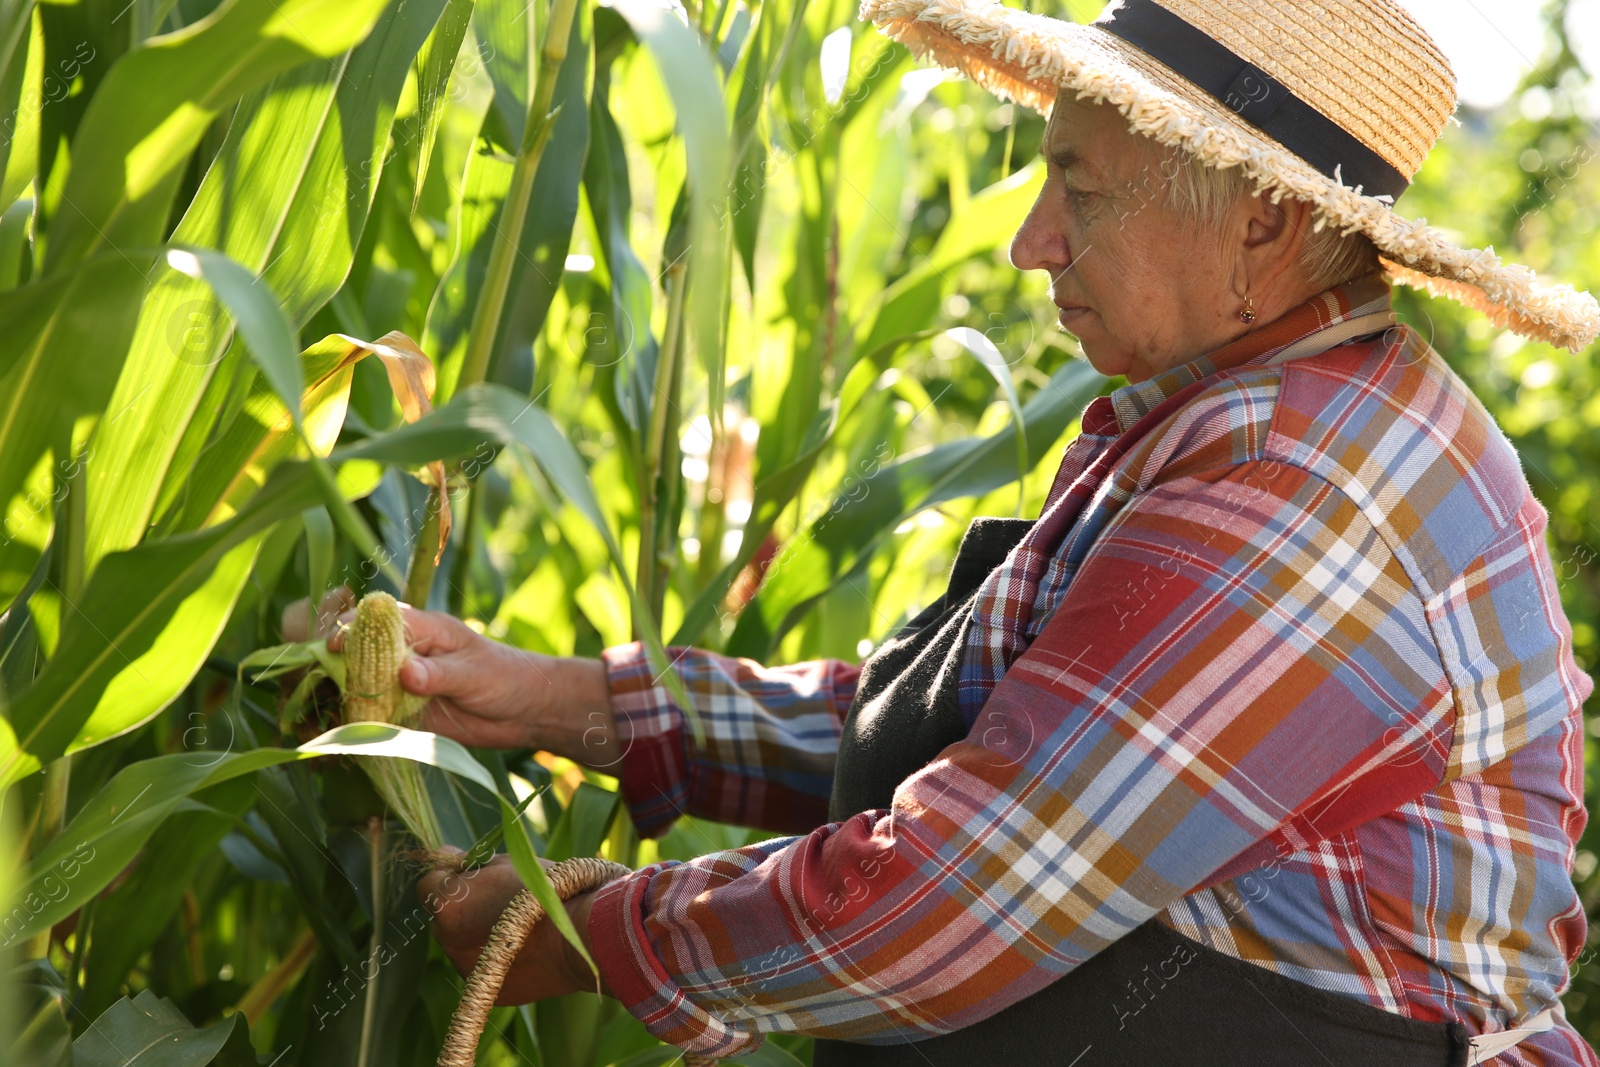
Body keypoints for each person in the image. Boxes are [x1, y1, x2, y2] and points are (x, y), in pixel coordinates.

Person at [322, 0, 1600, 1062]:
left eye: (1079, 191)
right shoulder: (1235, 411)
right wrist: (556, 701)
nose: (1034, 242)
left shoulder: (1296, 490)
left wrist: (586, 931)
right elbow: (990, 734)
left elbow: (950, 897)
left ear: (1261, 218)